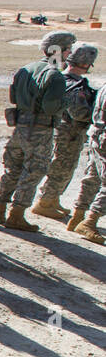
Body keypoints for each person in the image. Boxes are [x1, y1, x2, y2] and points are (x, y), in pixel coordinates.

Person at [0, 31, 75, 232]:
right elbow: (50, 106)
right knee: (34, 170)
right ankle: (17, 215)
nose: (69, 53)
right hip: (40, 129)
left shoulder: (26, 69)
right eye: (68, 49)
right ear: (58, 50)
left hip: (20, 125)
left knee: (12, 168)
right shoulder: (55, 75)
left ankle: (0, 210)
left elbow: (13, 96)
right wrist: (68, 101)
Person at [34, 44, 97, 220]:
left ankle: (52, 198)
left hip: (67, 132)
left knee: (65, 166)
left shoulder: (65, 79)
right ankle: (45, 202)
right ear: (87, 64)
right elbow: (78, 113)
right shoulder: (73, 85)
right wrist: (95, 113)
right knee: (62, 166)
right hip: (69, 133)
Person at [68, 81, 106, 245]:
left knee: (93, 176)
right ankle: (89, 222)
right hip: (103, 137)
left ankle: (77, 216)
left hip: (97, 135)